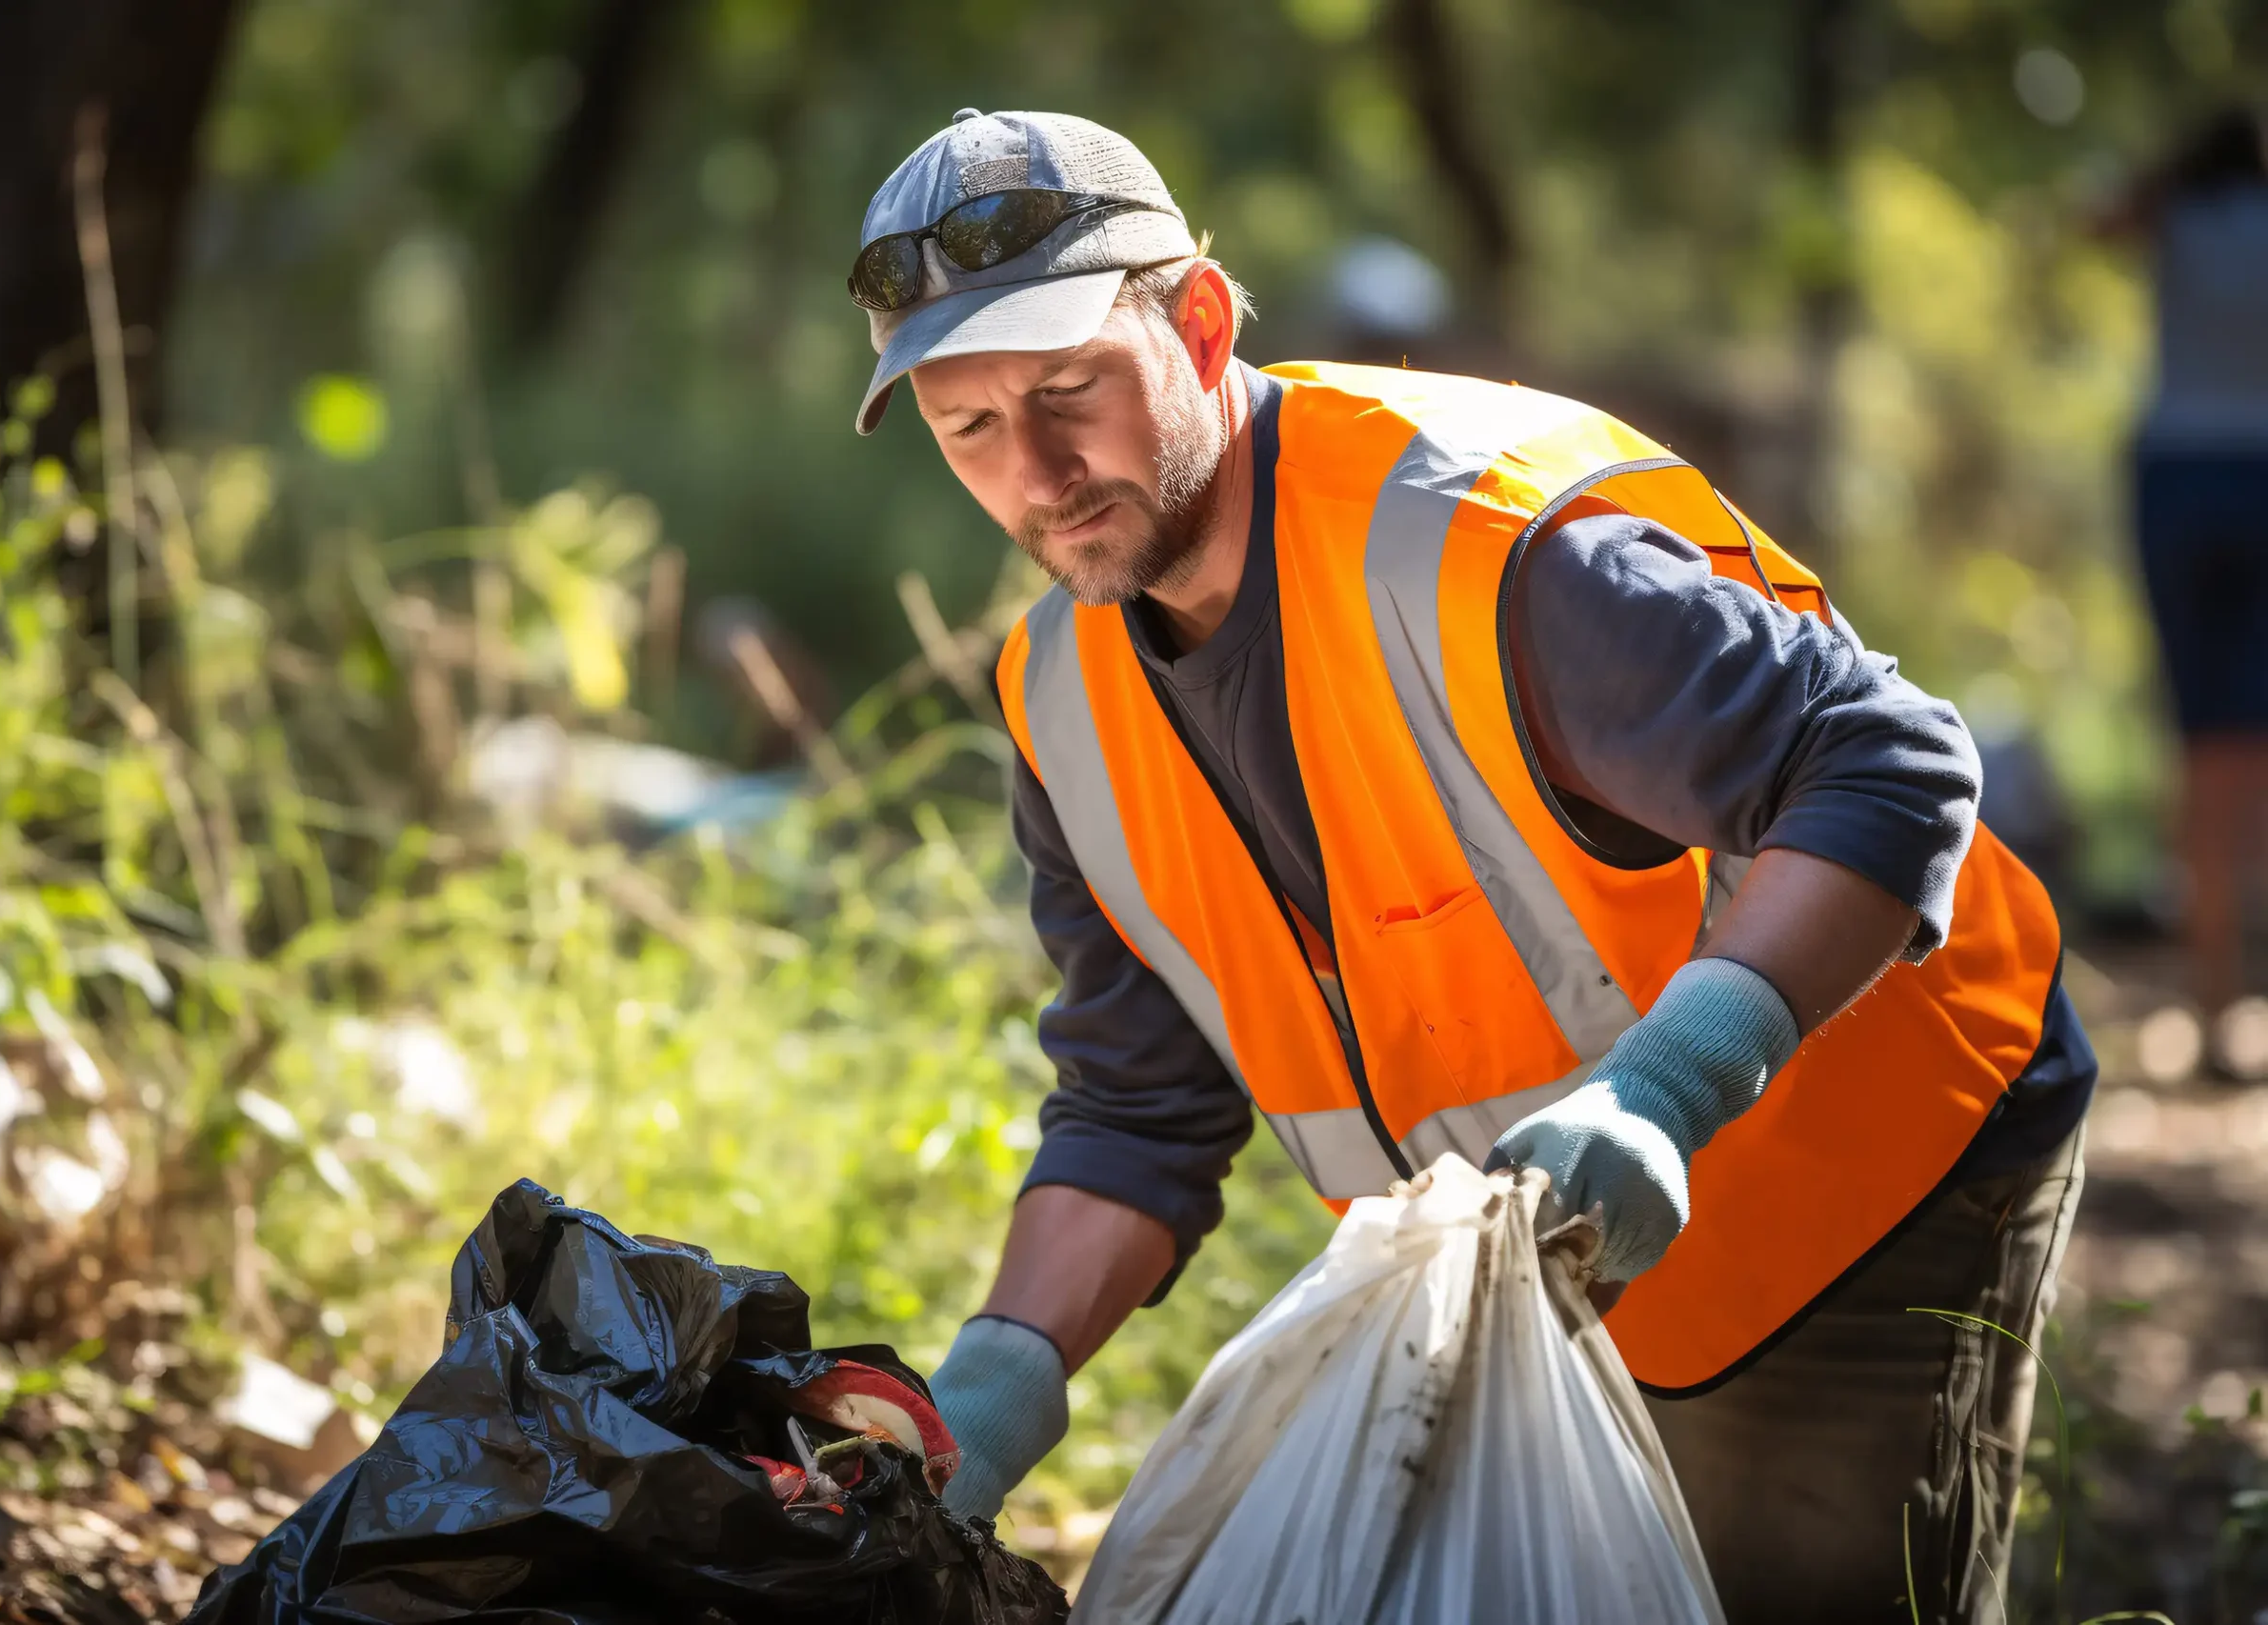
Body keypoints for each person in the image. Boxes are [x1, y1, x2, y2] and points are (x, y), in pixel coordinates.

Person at [850, 110, 2095, 1623]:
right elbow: (1137, 1104)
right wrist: (1001, 1378)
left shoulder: (1472, 544)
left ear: (1198, 320)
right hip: (1535, 1269)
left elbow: (1884, 761)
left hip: (1873, 1158)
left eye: (1068, 390)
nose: (1037, 470)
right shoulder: (1062, 702)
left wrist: (1665, 1090)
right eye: (968, 427)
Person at [2108, 106, 2268, 1073]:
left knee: (2198, 745)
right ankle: (2229, 1000)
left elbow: (2097, 217)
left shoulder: (2172, 216)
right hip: (2259, 473)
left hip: (2176, 479)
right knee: (2246, 749)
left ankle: (2211, 1004)